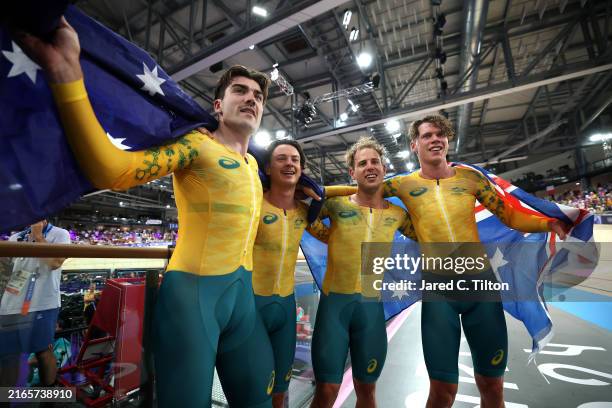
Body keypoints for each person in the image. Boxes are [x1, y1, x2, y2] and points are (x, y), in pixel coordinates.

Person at [14, 17, 293, 407]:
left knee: (260, 399)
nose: (251, 98)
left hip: (241, 300)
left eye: (258, 96)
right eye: (240, 91)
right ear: (218, 105)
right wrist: (67, 74)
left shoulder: (252, 168)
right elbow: (114, 170)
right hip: (192, 299)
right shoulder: (196, 146)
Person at [327, 115, 568, 408]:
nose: (434, 139)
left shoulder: (471, 178)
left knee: (492, 387)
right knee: (442, 392)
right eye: (427, 135)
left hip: (481, 287)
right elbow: (358, 192)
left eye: (440, 134)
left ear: (447, 140)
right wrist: (312, 191)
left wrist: (548, 224)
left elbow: (510, 215)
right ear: (415, 145)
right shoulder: (402, 184)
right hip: (439, 292)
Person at [310, 137, 417, 408]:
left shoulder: (396, 214)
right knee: (326, 390)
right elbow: (305, 201)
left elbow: (429, 238)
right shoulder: (337, 205)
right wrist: (350, 189)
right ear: (352, 172)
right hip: (335, 308)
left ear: (383, 167)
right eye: (362, 164)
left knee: (367, 391)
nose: (370, 167)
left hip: (370, 309)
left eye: (375, 162)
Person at [252, 139, 329, 408]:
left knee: (281, 389)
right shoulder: (253, 203)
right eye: (282, 158)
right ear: (268, 168)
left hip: (285, 307)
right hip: (251, 307)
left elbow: (332, 235)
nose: (289, 164)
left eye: (295, 160)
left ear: (302, 169)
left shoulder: (304, 213)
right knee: (252, 387)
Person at [0, 220, 70, 388]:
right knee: (9, 356)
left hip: (42, 303)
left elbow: (55, 263)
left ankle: (50, 396)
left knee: (42, 350)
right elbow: (8, 270)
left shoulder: (60, 234)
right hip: (10, 304)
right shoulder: (16, 237)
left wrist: (38, 236)